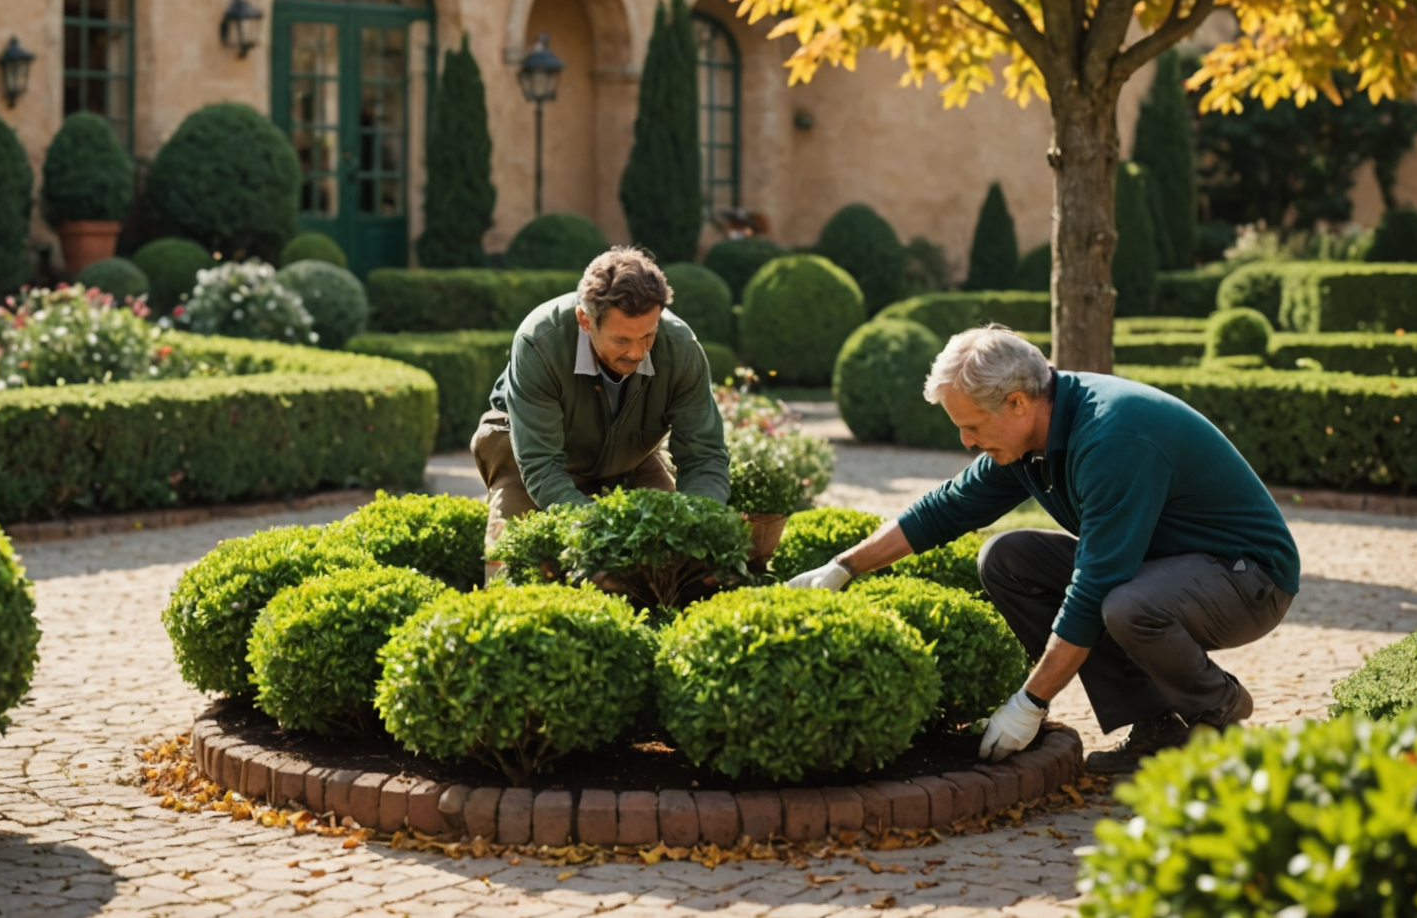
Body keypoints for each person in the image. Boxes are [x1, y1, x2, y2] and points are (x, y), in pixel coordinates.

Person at [786, 325, 1299, 776]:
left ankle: (1219, 706)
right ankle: (1157, 726)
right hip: (1163, 567)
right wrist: (841, 568)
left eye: (972, 426)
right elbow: (946, 509)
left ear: (1017, 402)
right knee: (1007, 560)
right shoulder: (1032, 435)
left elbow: (1095, 582)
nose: (967, 441)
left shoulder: (1112, 437)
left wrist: (1030, 703)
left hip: (1249, 580)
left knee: (1124, 605)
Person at [473, 246, 730, 552]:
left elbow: (704, 457)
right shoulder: (539, 341)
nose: (637, 353)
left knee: (672, 549)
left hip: (627, 456)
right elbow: (540, 465)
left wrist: (697, 521)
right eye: (621, 340)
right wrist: (603, 533)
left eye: (647, 336)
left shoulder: (681, 348)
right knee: (510, 553)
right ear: (585, 319)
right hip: (524, 452)